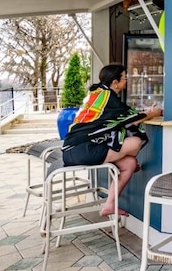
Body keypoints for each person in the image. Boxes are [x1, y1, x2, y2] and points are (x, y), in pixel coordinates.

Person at [62, 64, 163, 217]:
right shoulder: (108, 97)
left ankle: (109, 205)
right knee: (135, 143)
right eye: (124, 78)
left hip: (72, 150)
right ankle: (133, 162)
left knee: (128, 164)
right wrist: (153, 113)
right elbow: (131, 119)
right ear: (115, 82)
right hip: (83, 149)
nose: (127, 80)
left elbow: (123, 116)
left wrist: (145, 113)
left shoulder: (99, 94)